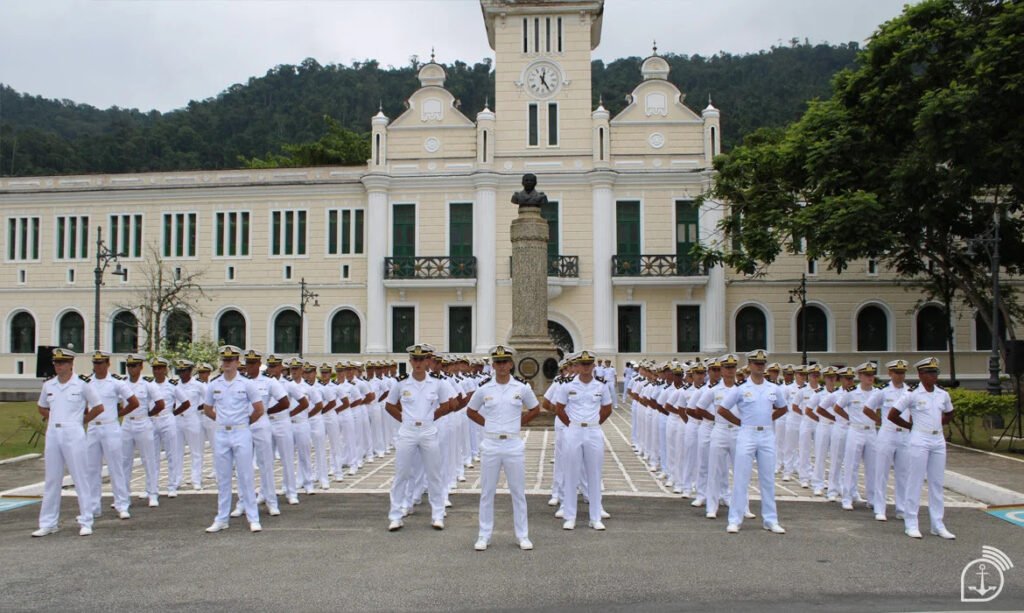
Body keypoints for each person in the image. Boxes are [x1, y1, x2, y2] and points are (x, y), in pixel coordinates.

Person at [467, 345, 541, 551]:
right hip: (491, 443)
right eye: (497, 362)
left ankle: (522, 535)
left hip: (513, 444)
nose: (501, 366)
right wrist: (488, 425)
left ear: (511, 364)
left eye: (504, 362)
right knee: (487, 492)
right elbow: (471, 411)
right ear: (493, 365)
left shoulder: (521, 388)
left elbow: (535, 409)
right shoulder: (484, 388)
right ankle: (484, 535)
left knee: (518, 492)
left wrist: (519, 423)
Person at [33, 348, 106, 537]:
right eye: (56, 363)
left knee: (80, 477)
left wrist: (82, 420)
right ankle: (48, 523)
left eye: (62, 363)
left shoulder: (82, 385)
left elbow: (98, 407)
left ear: (71, 364)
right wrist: (53, 417)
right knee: (52, 479)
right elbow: (42, 407)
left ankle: (86, 520)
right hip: (53, 432)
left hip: (73, 432)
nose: (59, 366)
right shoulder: (49, 385)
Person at [717, 349, 789, 535]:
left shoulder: (773, 388)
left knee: (768, 479)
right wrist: (740, 423)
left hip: (766, 434)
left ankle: (770, 520)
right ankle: (735, 519)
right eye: (756, 363)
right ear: (749, 365)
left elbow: (783, 408)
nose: (760, 366)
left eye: (762, 363)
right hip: (747, 434)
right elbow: (722, 409)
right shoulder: (741, 389)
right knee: (741, 478)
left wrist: (768, 419)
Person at [384, 344, 454, 531]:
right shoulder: (401, 383)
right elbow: (389, 405)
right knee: (402, 474)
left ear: (427, 361)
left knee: (434, 474)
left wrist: (430, 418)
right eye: (415, 359)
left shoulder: (437, 383)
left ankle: (437, 515)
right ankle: (396, 516)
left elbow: (446, 405)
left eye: (422, 359)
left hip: (428, 431)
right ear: (410, 361)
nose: (418, 363)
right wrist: (404, 419)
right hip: (407, 431)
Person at [890, 357, 956, 540]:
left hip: (938, 439)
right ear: (920, 374)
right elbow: (892, 414)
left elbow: (950, 413)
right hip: (919, 438)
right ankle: (911, 523)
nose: (934, 376)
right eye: (930, 373)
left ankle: (938, 524)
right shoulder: (912, 394)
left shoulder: (942, 394)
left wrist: (939, 423)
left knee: (937, 483)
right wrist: (910, 426)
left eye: (935, 372)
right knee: (915, 481)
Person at [203, 345, 266, 534]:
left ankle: (253, 518)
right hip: (222, 433)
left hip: (241, 432)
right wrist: (222, 421)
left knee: (246, 476)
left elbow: (259, 409)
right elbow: (207, 409)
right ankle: (222, 518)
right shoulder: (214, 384)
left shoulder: (246, 384)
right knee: (223, 478)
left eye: (231, 360)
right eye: (225, 360)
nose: (227, 363)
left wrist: (245, 422)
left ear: (238, 362)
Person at [554, 350, 613, 531]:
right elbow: (559, 408)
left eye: (589, 364)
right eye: (582, 364)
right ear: (577, 366)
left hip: (593, 431)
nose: (586, 368)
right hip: (574, 430)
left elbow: (607, 408)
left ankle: (595, 517)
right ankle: (570, 516)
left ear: (593, 366)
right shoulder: (567, 386)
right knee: (571, 473)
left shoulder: (601, 386)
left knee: (594, 474)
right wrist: (571, 425)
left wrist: (595, 423)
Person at [86, 351, 138, 520]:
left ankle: (122, 504)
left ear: (108, 364)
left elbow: (134, 402)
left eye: (101, 363)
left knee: (116, 467)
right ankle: (93, 506)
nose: (98, 366)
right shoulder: (87, 382)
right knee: (92, 469)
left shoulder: (116, 383)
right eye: (95, 363)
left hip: (110, 426)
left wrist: (119, 414)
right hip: (93, 427)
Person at [836, 362, 882, 511]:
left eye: (872, 375)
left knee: (873, 466)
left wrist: (878, 420)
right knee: (851, 465)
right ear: (860, 376)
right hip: (856, 430)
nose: (870, 378)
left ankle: (872, 498)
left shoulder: (878, 393)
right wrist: (849, 418)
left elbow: (881, 410)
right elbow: (838, 407)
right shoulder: (852, 392)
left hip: (871, 431)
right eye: (867, 375)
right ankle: (847, 497)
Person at [873, 359, 911, 522]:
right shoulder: (883, 391)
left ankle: (901, 508)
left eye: (902, 373)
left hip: (904, 434)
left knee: (903, 473)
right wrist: (880, 421)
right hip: (887, 434)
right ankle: (879, 508)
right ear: (890, 373)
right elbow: (868, 407)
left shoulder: (910, 391)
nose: (900, 376)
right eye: (897, 373)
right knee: (882, 472)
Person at [122, 353, 162, 508]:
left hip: (142, 422)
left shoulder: (148, 385)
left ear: (140, 367)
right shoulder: (122, 384)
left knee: (148, 459)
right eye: (129, 366)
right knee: (125, 460)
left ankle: (152, 493)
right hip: (127, 423)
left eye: (134, 366)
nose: (131, 369)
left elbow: (160, 404)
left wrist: (148, 414)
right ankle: (124, 495)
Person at [149, 356, 182, 498]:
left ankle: (172, 485)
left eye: (160, 368)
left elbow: (185, 402)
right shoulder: (149, 385)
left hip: (167, 419)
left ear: (165, 370)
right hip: (152, 420)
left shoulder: (172, 386)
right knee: (152, 456)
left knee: (171, 454)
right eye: (155, 369)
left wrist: (173, 414)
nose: (157, 371)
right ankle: (152, 487)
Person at [172, 359, 205, 491]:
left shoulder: (198, 385)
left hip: (192, 419)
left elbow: (209, 399)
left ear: (190, 371)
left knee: (196, 451)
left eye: (184, 371)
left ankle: (196, 479)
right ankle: (177, 479)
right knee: (177, 451)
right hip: (177, 420)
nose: (182, 374)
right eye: (180, 371)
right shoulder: (175, 385)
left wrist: (198, 408)